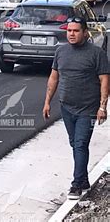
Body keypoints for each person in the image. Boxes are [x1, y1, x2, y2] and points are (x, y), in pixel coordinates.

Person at [43, 17, 108, 200]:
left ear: (85, 32)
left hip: (87, 109)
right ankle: (84, 180)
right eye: (69, 30)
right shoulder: (61, 51)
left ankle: (76, 185)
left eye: (76, 31)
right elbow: (54, 77)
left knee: (80, 144)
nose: (71, 34)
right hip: (66, 108)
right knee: (76, 144)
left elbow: (104, 81)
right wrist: (47, 101)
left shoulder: (97, 54)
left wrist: (103, 107)